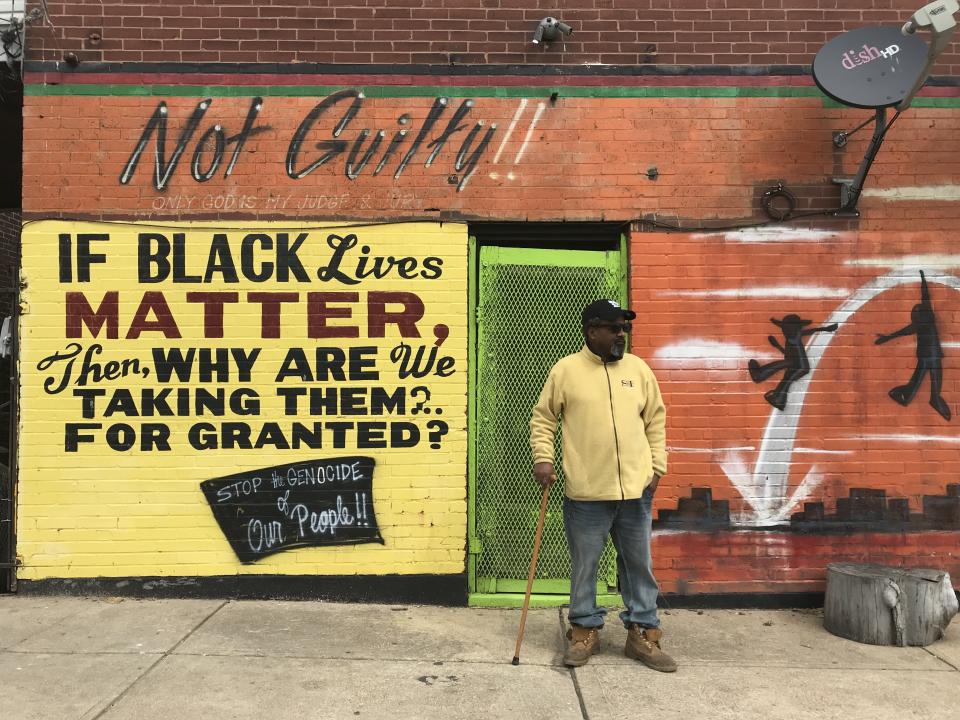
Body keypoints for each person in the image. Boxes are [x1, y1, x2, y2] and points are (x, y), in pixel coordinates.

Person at [529, 299, 675, 672]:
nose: (620, 334)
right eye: (613, 328)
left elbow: (655, 420)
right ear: (592, 331)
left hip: (635, 493)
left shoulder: (638, 370)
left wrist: (657, 467)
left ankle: (643, 632)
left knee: (639, 565)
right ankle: (583, 630)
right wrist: (542, 457)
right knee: (585, 565)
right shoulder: (566, 371)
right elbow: (543, 418)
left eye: (623, 328)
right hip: (587, 492)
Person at [875, 270, 951, 421]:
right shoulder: (926, 317)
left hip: (928, 356)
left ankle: (913, 396)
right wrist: (923, 280)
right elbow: (925, 297)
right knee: (926, 379)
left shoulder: (922, 320)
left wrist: (923, 279)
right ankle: (927, 398)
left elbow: (925, 296)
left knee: (919, 380)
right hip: (931, 356)